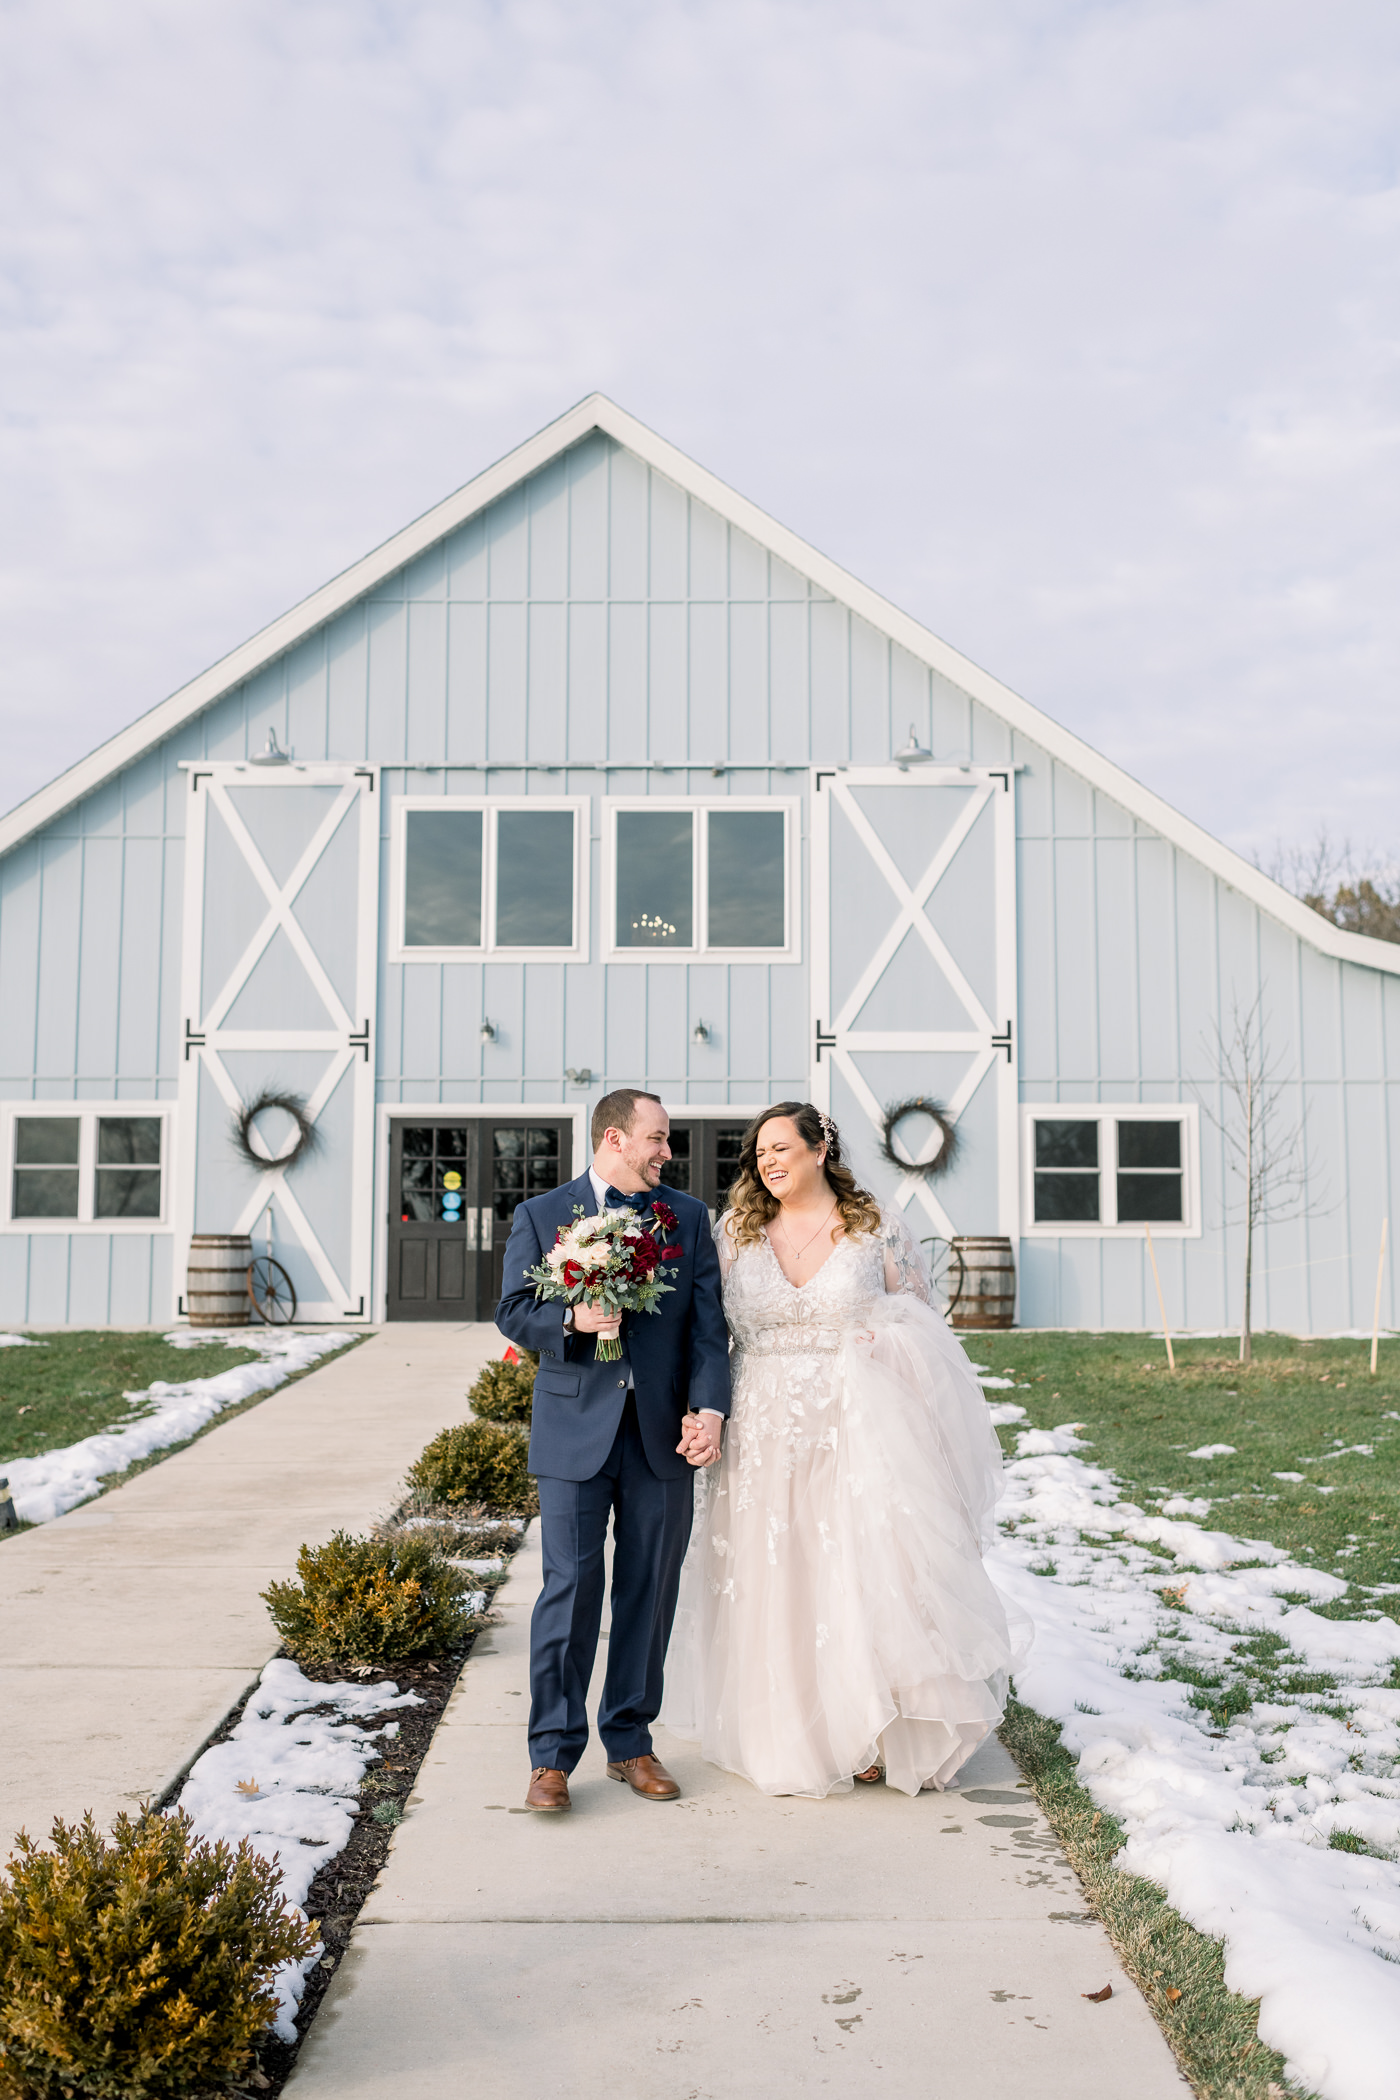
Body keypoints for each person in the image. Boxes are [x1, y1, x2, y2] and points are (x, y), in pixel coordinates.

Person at [662, 1100, 1031, 1799]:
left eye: (781, 1148)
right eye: (759, 1153)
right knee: (781, 1576)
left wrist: (878, 1341)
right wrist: (699, 1410)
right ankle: (797, 1726)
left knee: (853, 1569)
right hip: (761, 1430)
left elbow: (920, 1325)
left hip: (854, 1421)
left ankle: (865, 1729)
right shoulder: (735, 1233)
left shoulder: (874, 1229)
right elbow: (707, 1335)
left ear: (820, 1147)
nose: (767, 1162)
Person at [496, 1087, 730, 1813]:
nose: (668, 1152)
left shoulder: (689, 1219)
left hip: (660, 1436)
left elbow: (706, 1329)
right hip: (574, 1434)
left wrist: (711, 1408)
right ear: (614, 1139)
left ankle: (630, 1742)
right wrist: (571, 1316)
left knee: (649, 1592)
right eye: (657, 1138)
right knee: (569, 1591)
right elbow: (511, 1311)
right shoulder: (542, 1214)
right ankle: (551, 1757)